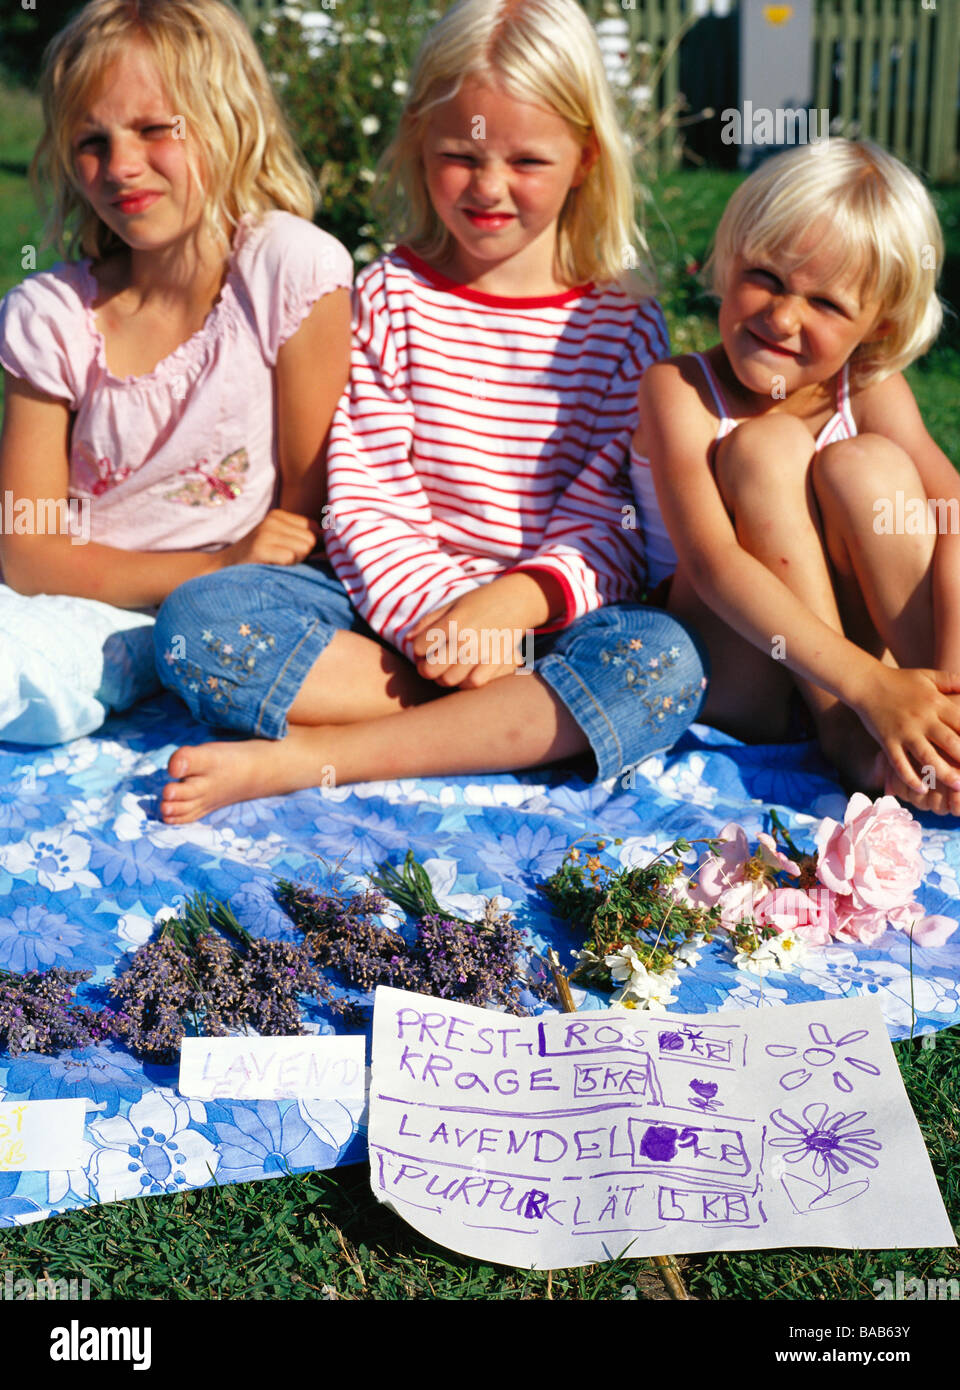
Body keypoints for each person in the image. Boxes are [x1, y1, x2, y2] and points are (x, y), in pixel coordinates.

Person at [154, 0, 707, 823]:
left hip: (555, 621)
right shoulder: (389, 298)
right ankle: (499, 728)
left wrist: (512, 608)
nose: (488, 188)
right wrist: (439, 625)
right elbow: (367, 496)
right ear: (420, 142)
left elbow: (614, 518)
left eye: (527, 160)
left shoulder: (624, 323)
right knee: (198, 622)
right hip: (395, 622)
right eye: (460, 155)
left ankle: (315, 755)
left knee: (664, 666)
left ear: (586, 157)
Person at [0, 0, 352, 744]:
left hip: (225, 606)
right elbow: (26, 550)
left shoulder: (288, 270)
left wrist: (228, 570)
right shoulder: (52, 313)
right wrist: (212, 559)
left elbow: (303, 523)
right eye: (92, 140)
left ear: (229, 121)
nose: (121, 166)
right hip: (75, 592)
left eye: (157, 130)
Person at [632, 138, 960, 816]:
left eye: (826, 304)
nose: (782, 317)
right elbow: (713, 563)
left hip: (884, 682)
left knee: (868, 466)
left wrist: (947, 678)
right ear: (728, 259)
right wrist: (866, 688)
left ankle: (942, 736)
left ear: (879, 325)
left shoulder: (869, 388)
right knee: (767, 447)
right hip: (743, 681)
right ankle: (845, 733)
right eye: (768, 278)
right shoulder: (679, 389)